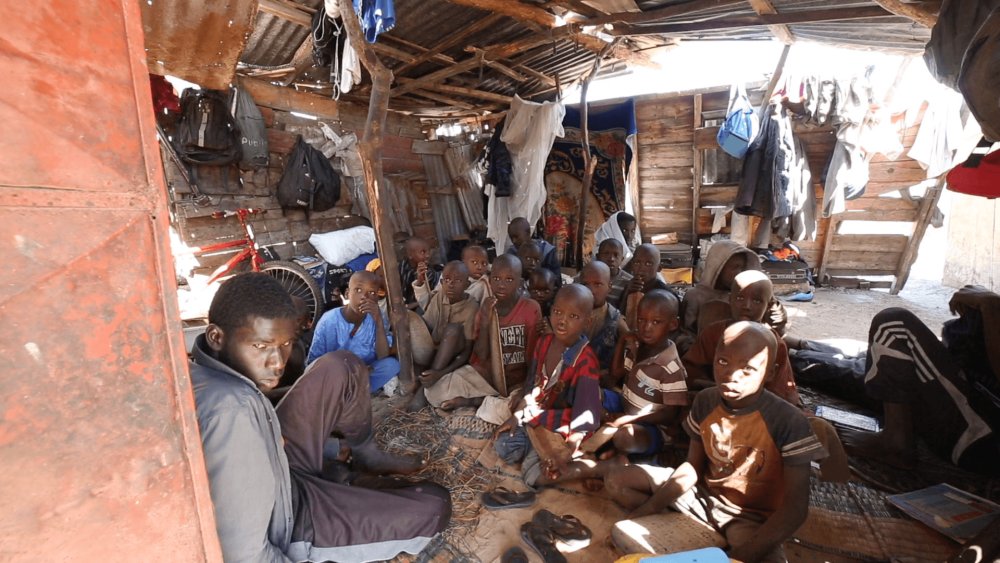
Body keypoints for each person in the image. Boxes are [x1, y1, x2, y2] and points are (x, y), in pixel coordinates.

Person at [189, 273, 451, 563]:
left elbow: (264, 437)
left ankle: (364, 457)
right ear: (216, 337)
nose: (278, 362)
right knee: (433, 506)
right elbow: (244, 554)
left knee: (343, 364)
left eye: (286, 344)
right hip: (293, 515)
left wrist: (330, 448)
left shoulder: (205, 373)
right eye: (262, 346)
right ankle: (340, 484)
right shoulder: (230, 412)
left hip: (281, 464)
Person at [606, 322, 827, 563]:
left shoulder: (788, 421)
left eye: (748, 368)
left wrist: (736, 558)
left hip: (747, 518)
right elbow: (691, 467)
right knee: (617, 482)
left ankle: (705, 538)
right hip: (701, 498)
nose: (731, 375)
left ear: (771, 373)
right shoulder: (706, 400)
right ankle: (698, 531)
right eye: (723, 362)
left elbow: (796, 508)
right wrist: (643, 513)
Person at [832, 286, 1000, 474]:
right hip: (973, 396)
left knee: (893, 326)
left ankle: (895, 441)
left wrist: (991, 305)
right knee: (875, 369)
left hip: (982, 438)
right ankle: (799, 348)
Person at [493, 285, 603, 487]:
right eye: (558, 312)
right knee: (504, 447)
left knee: (532, 476)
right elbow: (530, 388)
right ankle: (537, 451)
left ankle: (594, 468)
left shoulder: (586, 362)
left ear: (587, 322)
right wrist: (516, 416)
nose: (562, 321)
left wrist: (566, 452)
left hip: (562, 428)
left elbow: (584, 420)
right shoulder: (544, 343)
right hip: (538, 417)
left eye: (573, 316)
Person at [420, 255, 542, 421]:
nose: (501, 284)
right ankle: (488, 401)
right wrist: (485, 321)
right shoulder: (485, 307)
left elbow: (532, 358)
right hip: (487, 377)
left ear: (520, 283)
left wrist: (524, 390)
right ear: (490, 281)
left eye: (509, 280)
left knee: (520, 411)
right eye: (497, 278)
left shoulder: (530, 308)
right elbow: (482, 355)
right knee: (433, 392)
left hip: (517, 380)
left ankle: (475, 401)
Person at [683, 271, 800, 407]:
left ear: (767, 306)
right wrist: (716, 389)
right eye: (739, 298)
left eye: (756, 300)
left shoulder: (773, 344)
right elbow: (690, 371)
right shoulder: (713, 332)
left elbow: (782, 392)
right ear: (730, 299)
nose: (747, 306)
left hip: (756, 407)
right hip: (713, 399)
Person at [602, 290, 689, 456]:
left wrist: (630, 419)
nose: (646, 328)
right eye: (642, 320)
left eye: (656, 322)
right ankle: (609, 437)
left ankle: (614, 448)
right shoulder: (637, 347)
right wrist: (622, 340)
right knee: (588, 393)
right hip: (625, 405)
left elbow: (669, 414)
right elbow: (615, 374)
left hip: (650, 426)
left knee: (625, 436)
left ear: (673, 324)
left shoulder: (671, 367)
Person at [405, 261, 480, 411]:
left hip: (455, 359)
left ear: (467, 284)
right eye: (446, 279)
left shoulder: (471, 307)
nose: (451, 284)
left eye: (457, 280)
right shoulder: (440, 297)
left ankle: (426, 387)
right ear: (442, 282)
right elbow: (426, 327)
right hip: (436, 353)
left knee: (452, 329)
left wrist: (439, 373)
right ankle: (426, 380)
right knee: (408, 321)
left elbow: (467, 352)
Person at [308, 271, 400, 393]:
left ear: (376, 298)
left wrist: (378, 322)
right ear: (347, 295)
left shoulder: (377, 317)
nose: (364, 297)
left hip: (362, 372)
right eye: (358, 290)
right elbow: (315, 362)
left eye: (371, 292)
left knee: (392, 365)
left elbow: (382, 355)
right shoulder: (329, 321)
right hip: (334, 375)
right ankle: (347, 393)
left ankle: (354, 393)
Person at [681, 240, 786, 336]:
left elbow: (777, 322)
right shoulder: (696, 297)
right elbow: (685, 335)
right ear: (718, 267)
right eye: (735, 267)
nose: (740, 272)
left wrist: (767, 296)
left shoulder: (747, 293)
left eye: (743, 267)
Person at [577, 260, 628, 376]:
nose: (591, 290)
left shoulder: (614, 318)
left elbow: (630, 348)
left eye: (598, 284)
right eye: (585, 284)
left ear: (609, 287)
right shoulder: (572, 313)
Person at [619, 243, 675, 320]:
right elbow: (619, 317)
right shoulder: (629, 287)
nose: (641, 268)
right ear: (632, 266)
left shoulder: (666, 294)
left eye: (648, 264)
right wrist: (627, 293)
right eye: (637, 263)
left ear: (659, 268)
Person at [507, 217, 561, 283]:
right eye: (511, 238)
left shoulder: (547, 251)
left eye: (516, 236)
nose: (514, 241)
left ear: (528, 233)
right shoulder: (512, 253)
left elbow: (556, 282)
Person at [399, 236, 439, 311]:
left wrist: (411, 306)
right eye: (423, 252)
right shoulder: (401, 266)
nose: (428, 256)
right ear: (410, 255)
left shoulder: (430, 274)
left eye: (428, 252)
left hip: (420, 307)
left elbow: (430, 298)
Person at [596, 238, 634, 309]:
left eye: (616, 255)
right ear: (598, 257)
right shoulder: (588, 276)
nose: (611, 259)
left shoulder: (628, 281)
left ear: (621, 260)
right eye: (606, 254)